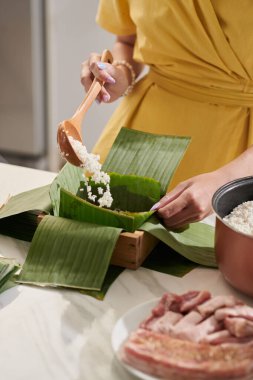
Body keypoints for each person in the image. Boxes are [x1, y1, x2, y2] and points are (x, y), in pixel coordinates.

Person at [81, 0, 253, 228]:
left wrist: (226, 181)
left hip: (242, 161)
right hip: (141, 139)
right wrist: (120, 74)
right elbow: (128, 39)